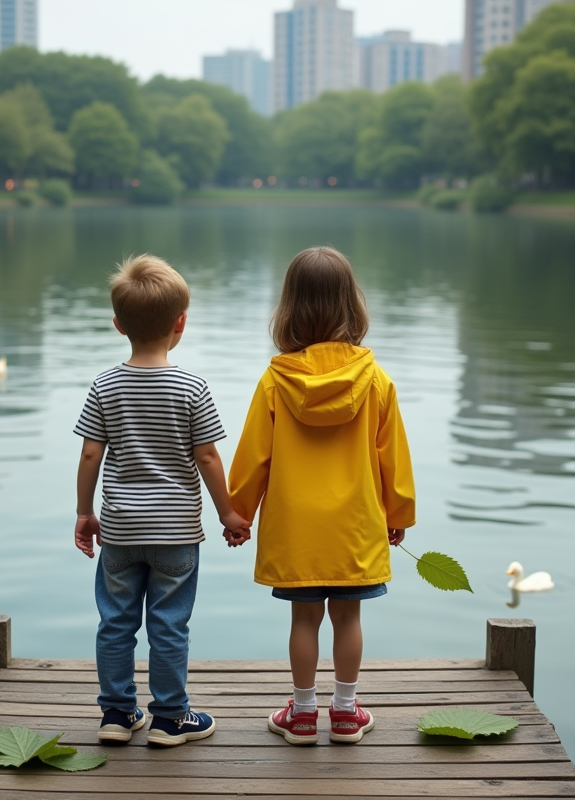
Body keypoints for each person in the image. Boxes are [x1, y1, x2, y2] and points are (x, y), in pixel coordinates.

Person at [226, 246, 416, 746]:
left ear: (289, 308)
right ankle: (348, 712)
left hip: (297, 527)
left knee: (304, 618)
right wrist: (398, 515)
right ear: (352, 306)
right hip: (354, 525)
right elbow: (391, 457)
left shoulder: (275, 380)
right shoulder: (376, 380)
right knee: (348, 616)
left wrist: (238, 513)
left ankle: (304, 714)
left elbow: (254, 458)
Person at [73, 254, 250, 747]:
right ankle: (171, 718)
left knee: (115, 622)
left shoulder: (105, 385)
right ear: (181, 324)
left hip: (121, 530)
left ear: (117, 325)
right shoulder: (191, 387)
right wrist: (228, 513)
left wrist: (86, 513)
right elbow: (209, 458)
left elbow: (90, 453)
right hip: (175, 533)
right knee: (169, 625)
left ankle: (116, 714)